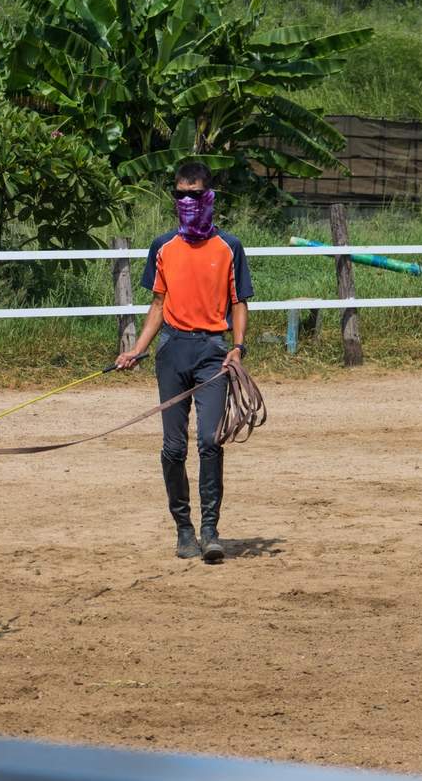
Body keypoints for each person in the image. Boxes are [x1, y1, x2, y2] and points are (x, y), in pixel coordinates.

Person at [115, 162, 253, 563]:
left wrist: (237, 347)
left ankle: (210, 530)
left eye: (194, 194)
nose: (187, 201)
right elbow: (158, 304)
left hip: (213, 353)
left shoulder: (229, 247)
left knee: (209, 441)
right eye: (180, 195)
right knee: (173, 447)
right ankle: (184, 530)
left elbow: (239, 303)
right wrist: (137, 348)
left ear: (208, 196)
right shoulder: (163, 247)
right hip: (173, 351)